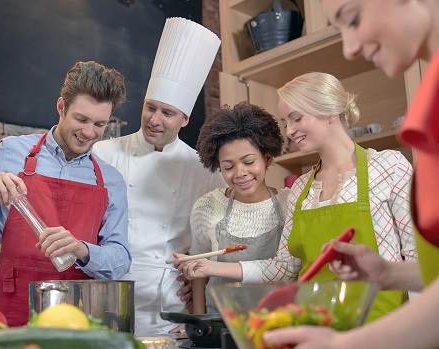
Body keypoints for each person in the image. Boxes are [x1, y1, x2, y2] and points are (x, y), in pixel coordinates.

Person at [262, 0, 439, 348]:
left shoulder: (388, 166)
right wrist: (387, 274)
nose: (350, 47)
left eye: (353, 19)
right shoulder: (301, 188)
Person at [177, 71, 416, 322]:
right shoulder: (301, 190)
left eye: (296, 118)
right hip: (316, 326)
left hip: (384, 324)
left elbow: (417, 257)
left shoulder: (389, 167)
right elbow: (284, 267)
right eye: (285, 122)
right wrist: (209, 267)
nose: (290, 131)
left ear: (330, 111)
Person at [0, 61, 131, 327]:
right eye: (81, 119)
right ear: (61, 107)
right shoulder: (11, 152)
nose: (89, 132)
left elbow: (121, 259)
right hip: (12, 311)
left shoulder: (110, 180)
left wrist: (82, 249)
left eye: (99, 124)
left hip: (76, 319)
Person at [92, 17, 225, 336]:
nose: (154, 119)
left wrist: (197, 284)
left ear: (185, 119)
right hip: (108, 296)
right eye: (151, 108)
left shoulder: (204, 167)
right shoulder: (103, 154)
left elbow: (220, 240)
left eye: (167, 113)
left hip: (169, 303)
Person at [187, 102, 289, 314]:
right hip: (220, 322)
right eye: (228, 167)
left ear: (267, 159)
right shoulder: (207, 206)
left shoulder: (288, 203)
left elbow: (289, 268)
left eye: (249, 162)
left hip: (276, 323)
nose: (240, 173)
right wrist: (198, 321)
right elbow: (199, 271)